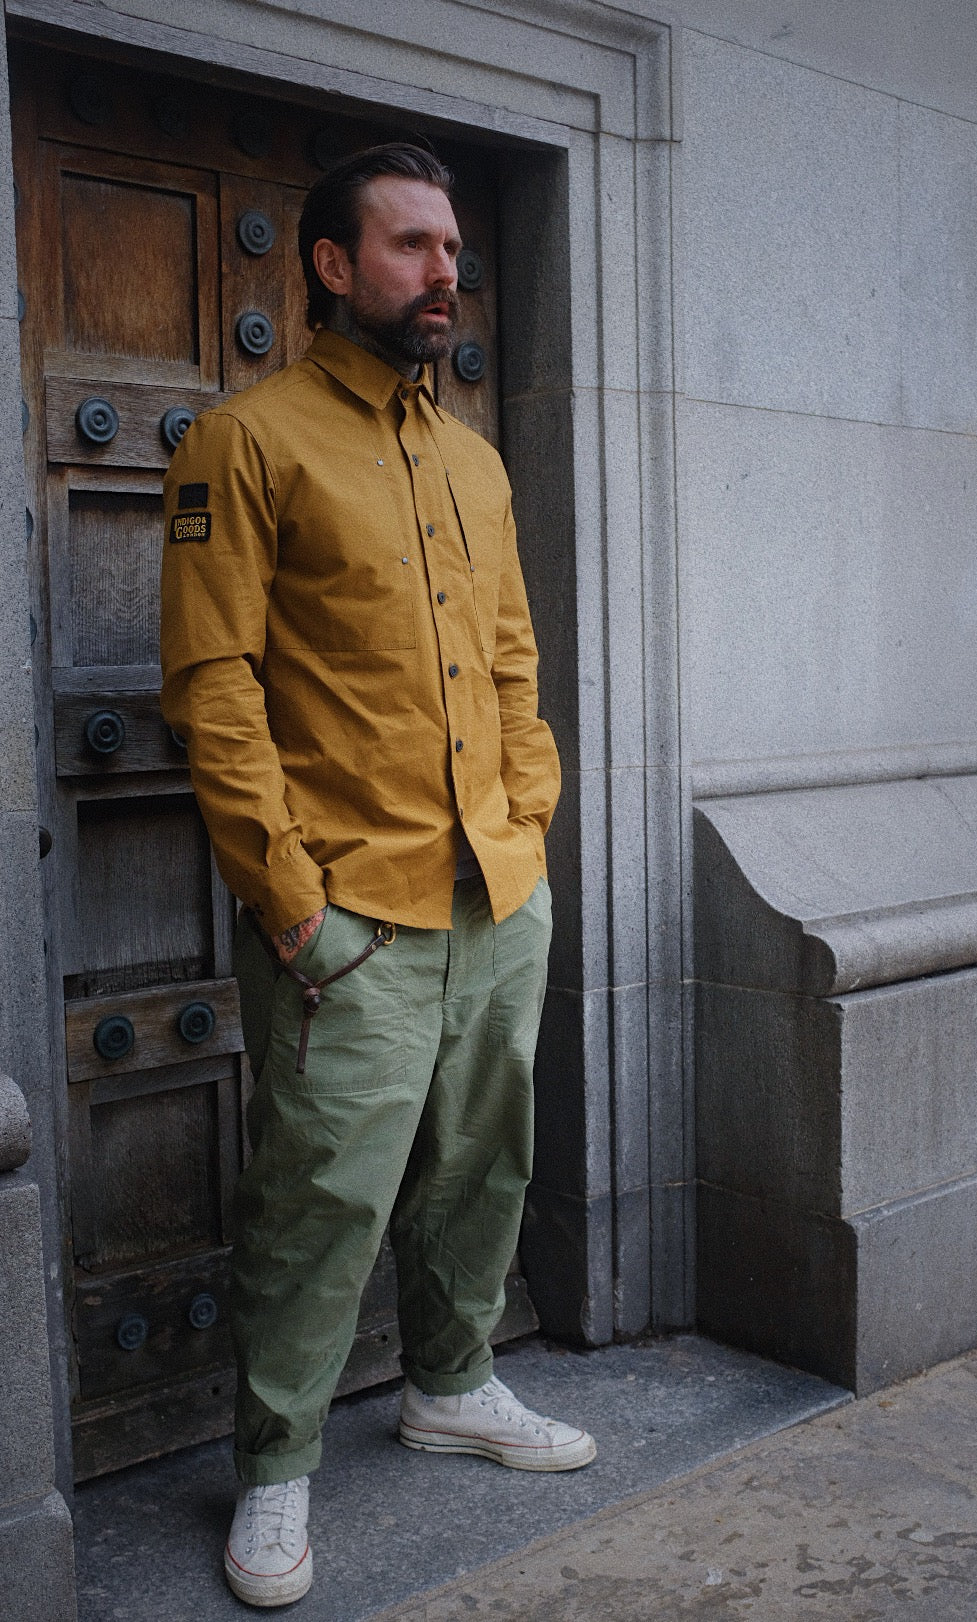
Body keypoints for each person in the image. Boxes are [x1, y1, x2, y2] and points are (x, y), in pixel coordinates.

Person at [159, 142, 595, 1610]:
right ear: (334, 264)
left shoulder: (474, 460)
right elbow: (214, 689)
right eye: (411, 245)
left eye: (451, 247)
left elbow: (516, 659)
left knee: (484, 1162)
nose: (442, 270)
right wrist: (291, 898)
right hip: (346, 915)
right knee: (318, 1196)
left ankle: (452, 1382)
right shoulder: (247, 443)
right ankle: (276, 1462)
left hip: (497, 892)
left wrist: (531, 818)